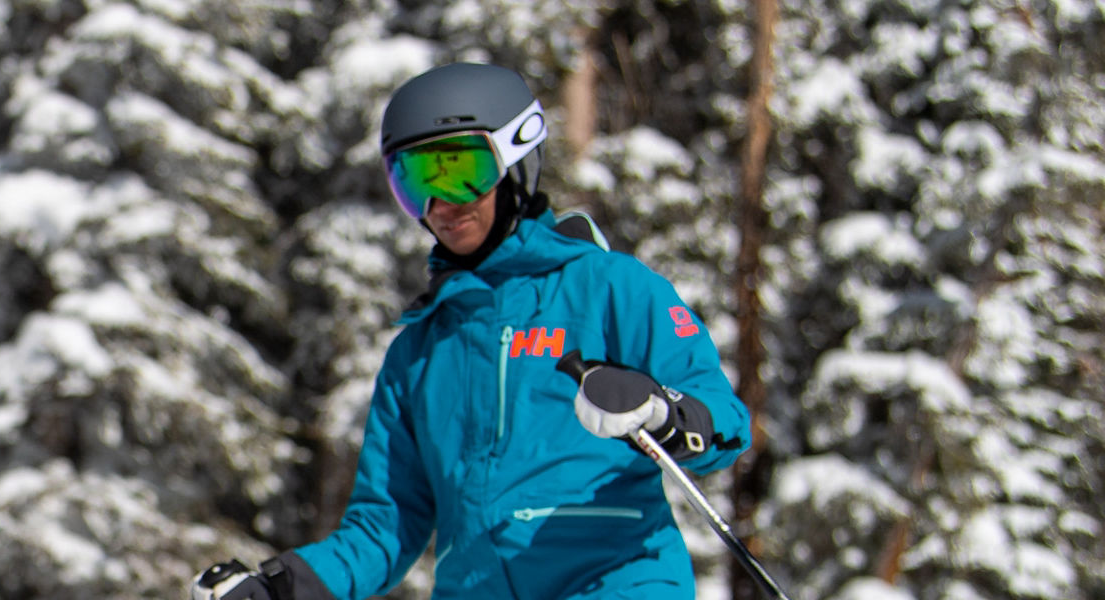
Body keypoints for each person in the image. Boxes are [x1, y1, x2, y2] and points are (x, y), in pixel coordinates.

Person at [191, 63, 752, 599]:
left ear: (515, 161)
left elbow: (724, 425)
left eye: (460, 172)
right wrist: (279, 586)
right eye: (415, 181)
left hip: (616, 584)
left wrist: (662, 411)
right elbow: (385, 529)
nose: (439, 205)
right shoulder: (419, 351)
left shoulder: (611, 289)